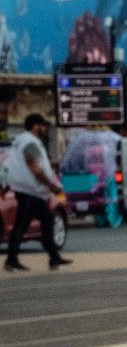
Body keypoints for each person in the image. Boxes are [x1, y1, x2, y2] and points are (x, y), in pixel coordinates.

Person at [4, 112, 69, 271]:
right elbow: (35, 167)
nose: (45, 128)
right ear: (35, 127)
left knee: (46, 222)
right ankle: (13, 259)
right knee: (24, 225)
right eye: (42, 125)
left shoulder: (25, 141)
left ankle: (53, 257)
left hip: (31, 191)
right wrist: (51, 186)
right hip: (29, 191)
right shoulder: (29, 143)